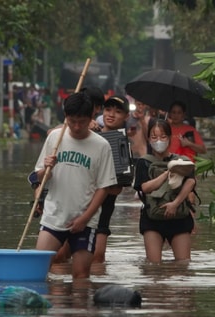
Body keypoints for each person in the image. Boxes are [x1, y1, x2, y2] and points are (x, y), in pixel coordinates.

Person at [33, 92, 117, 279]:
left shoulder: (101, 146)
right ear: (66, 117)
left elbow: (104, 188)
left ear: (91, 119)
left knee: (80, 276)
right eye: (72, 121)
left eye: (82, 121)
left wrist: (84, 218)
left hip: (85, 220)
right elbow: (38, 177)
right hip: (54, 216)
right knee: (38, 270)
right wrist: (45, 168)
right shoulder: (55, 138)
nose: (77, 127)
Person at [133, 118, 196, 263]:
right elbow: (145, 187)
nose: (159, 141)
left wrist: (175, 203)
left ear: (169, 137)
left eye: (163, 136)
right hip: (152, 219)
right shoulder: (144, 162)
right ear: (149, 139)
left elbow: (191, 181)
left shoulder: (182, 161)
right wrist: (167, 173)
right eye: (154, 137)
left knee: (183, 265)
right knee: (154, 266)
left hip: (179, 218)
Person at [93, 95, 130, 263]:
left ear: (126, 117)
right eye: (108, 110)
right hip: (79, 204)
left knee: (97, 258)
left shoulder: (123, 145)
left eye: (118, 112)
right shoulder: (88, 134)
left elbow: (118, 188)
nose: (111, 115)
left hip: (104, 210)